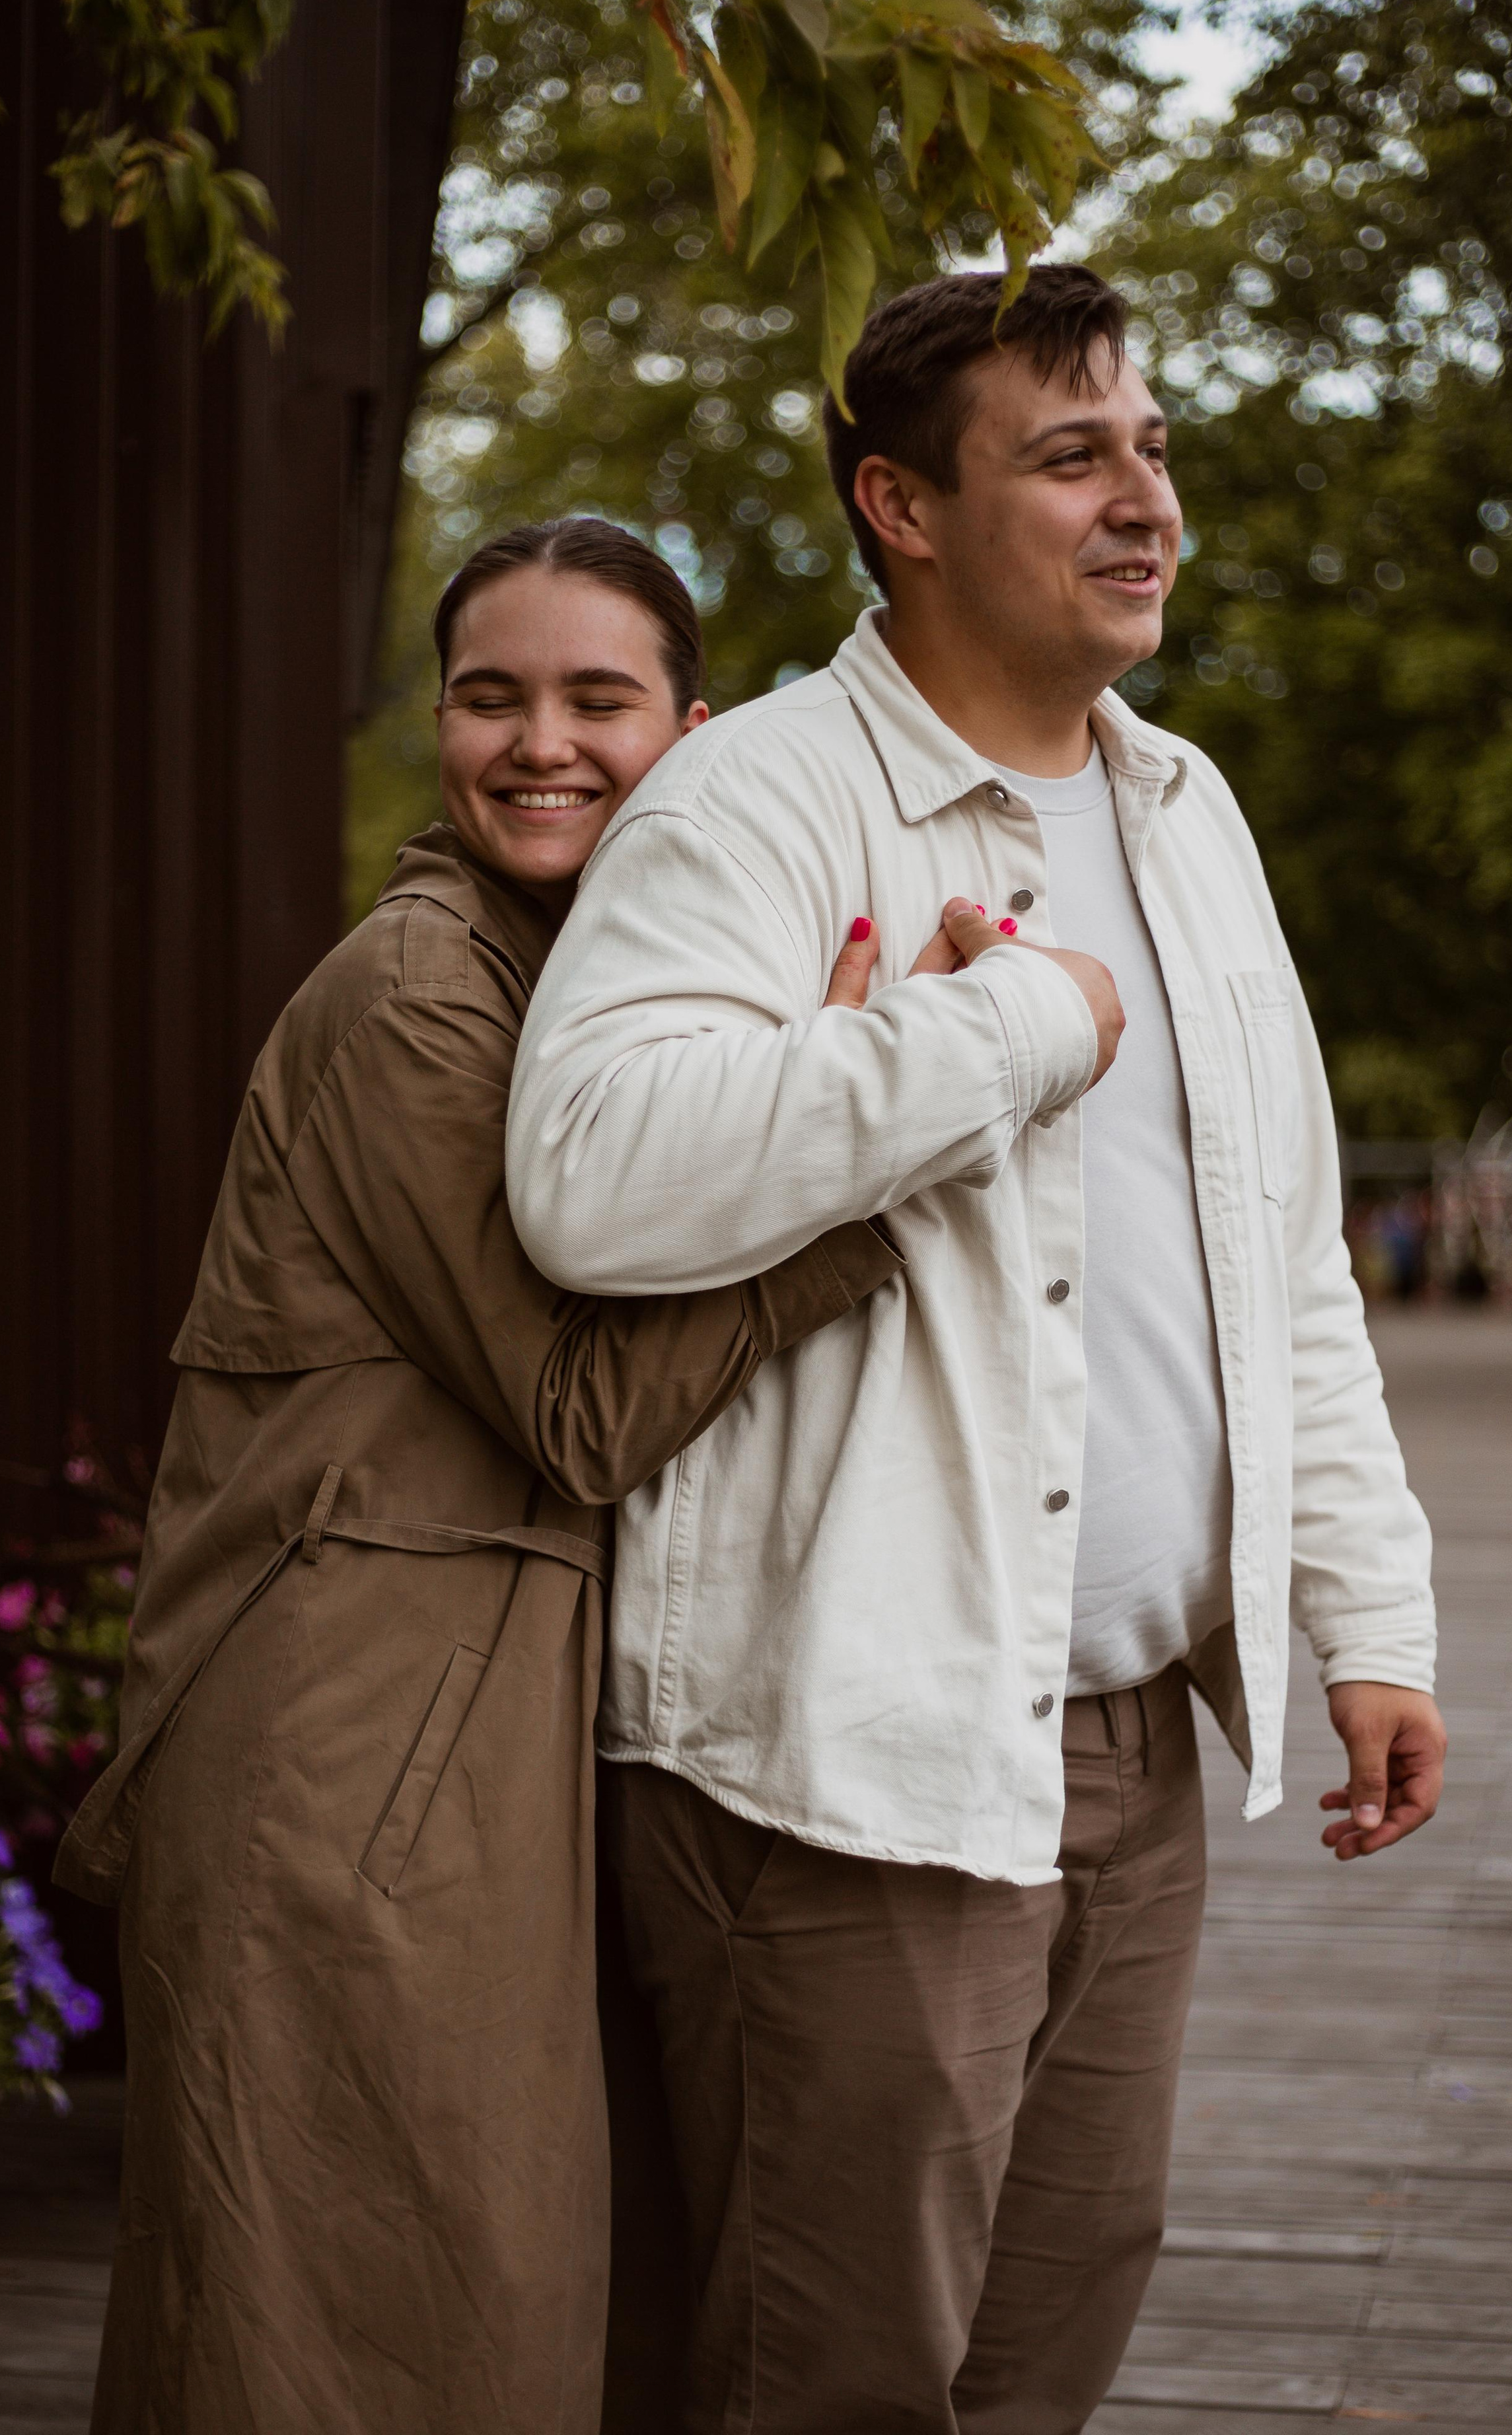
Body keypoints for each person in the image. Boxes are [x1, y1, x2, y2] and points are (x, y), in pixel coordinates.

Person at [506, 267, 1449, 2433]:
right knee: (828, 2377)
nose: (1146, 503)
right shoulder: (750, 803)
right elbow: (590, 1175)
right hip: (846, 1755)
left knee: (1049, 2340)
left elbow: (1281, 1255)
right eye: (1072, 456)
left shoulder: (1189, 813)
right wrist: (1000, 1029)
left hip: (1126, 1743)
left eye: (1153, 447)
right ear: (900, 507)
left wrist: (1366, 1615)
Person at [54, 519, 905, 2435]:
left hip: (455, 1727)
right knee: (350, 2324)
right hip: (347, 1748)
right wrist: (857, 1161)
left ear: (690, 735)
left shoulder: (582, 993)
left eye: (598, 700)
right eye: (490, 696)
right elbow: (583, 1413)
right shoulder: (420, 997)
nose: (541, 743)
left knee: (454, 2302)